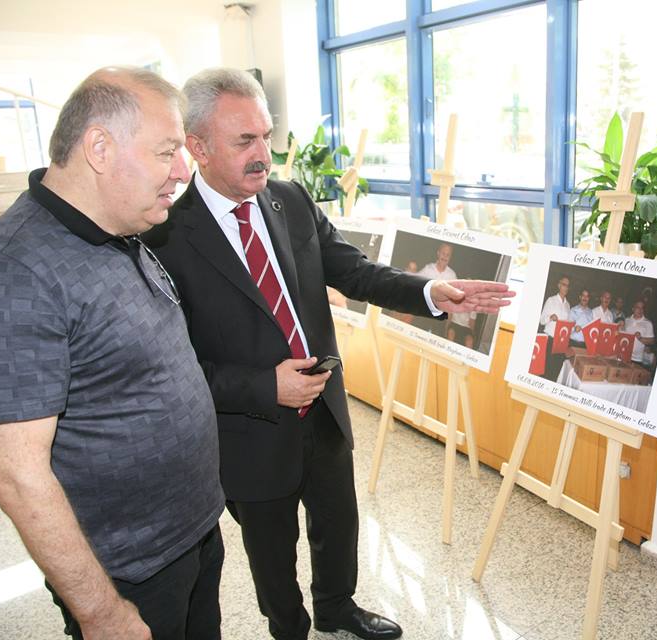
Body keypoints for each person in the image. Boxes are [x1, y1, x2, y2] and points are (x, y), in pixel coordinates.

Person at [142, 68, 513, 640]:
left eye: (266, 135)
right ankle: (288, 628)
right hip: (248, 428)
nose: (264, 153)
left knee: (338, 522)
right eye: (245, 141)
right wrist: (266, 386)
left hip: (324, 408)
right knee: (271, 553)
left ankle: (338, 608)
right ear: (197, 148)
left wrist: (428, 293)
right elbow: (172, 366)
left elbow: (354, 272)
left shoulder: (288, 200)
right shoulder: (163, 235)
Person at [0, 68, 225, 640]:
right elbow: (17, 475)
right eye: (168, 151)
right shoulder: (9, 270)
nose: (183, 170)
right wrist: (101, 612)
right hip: (125, 570)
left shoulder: (121, 227)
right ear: (100, 148)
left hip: (190, 534)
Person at [620, 300, 656, 365]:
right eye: (637, 307)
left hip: (637, 359)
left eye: (642, 308)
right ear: (633, 309)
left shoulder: (648, 323)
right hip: (624, 355)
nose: (640, 310)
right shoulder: (627, 320)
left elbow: (652, 341)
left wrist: (640, 338)